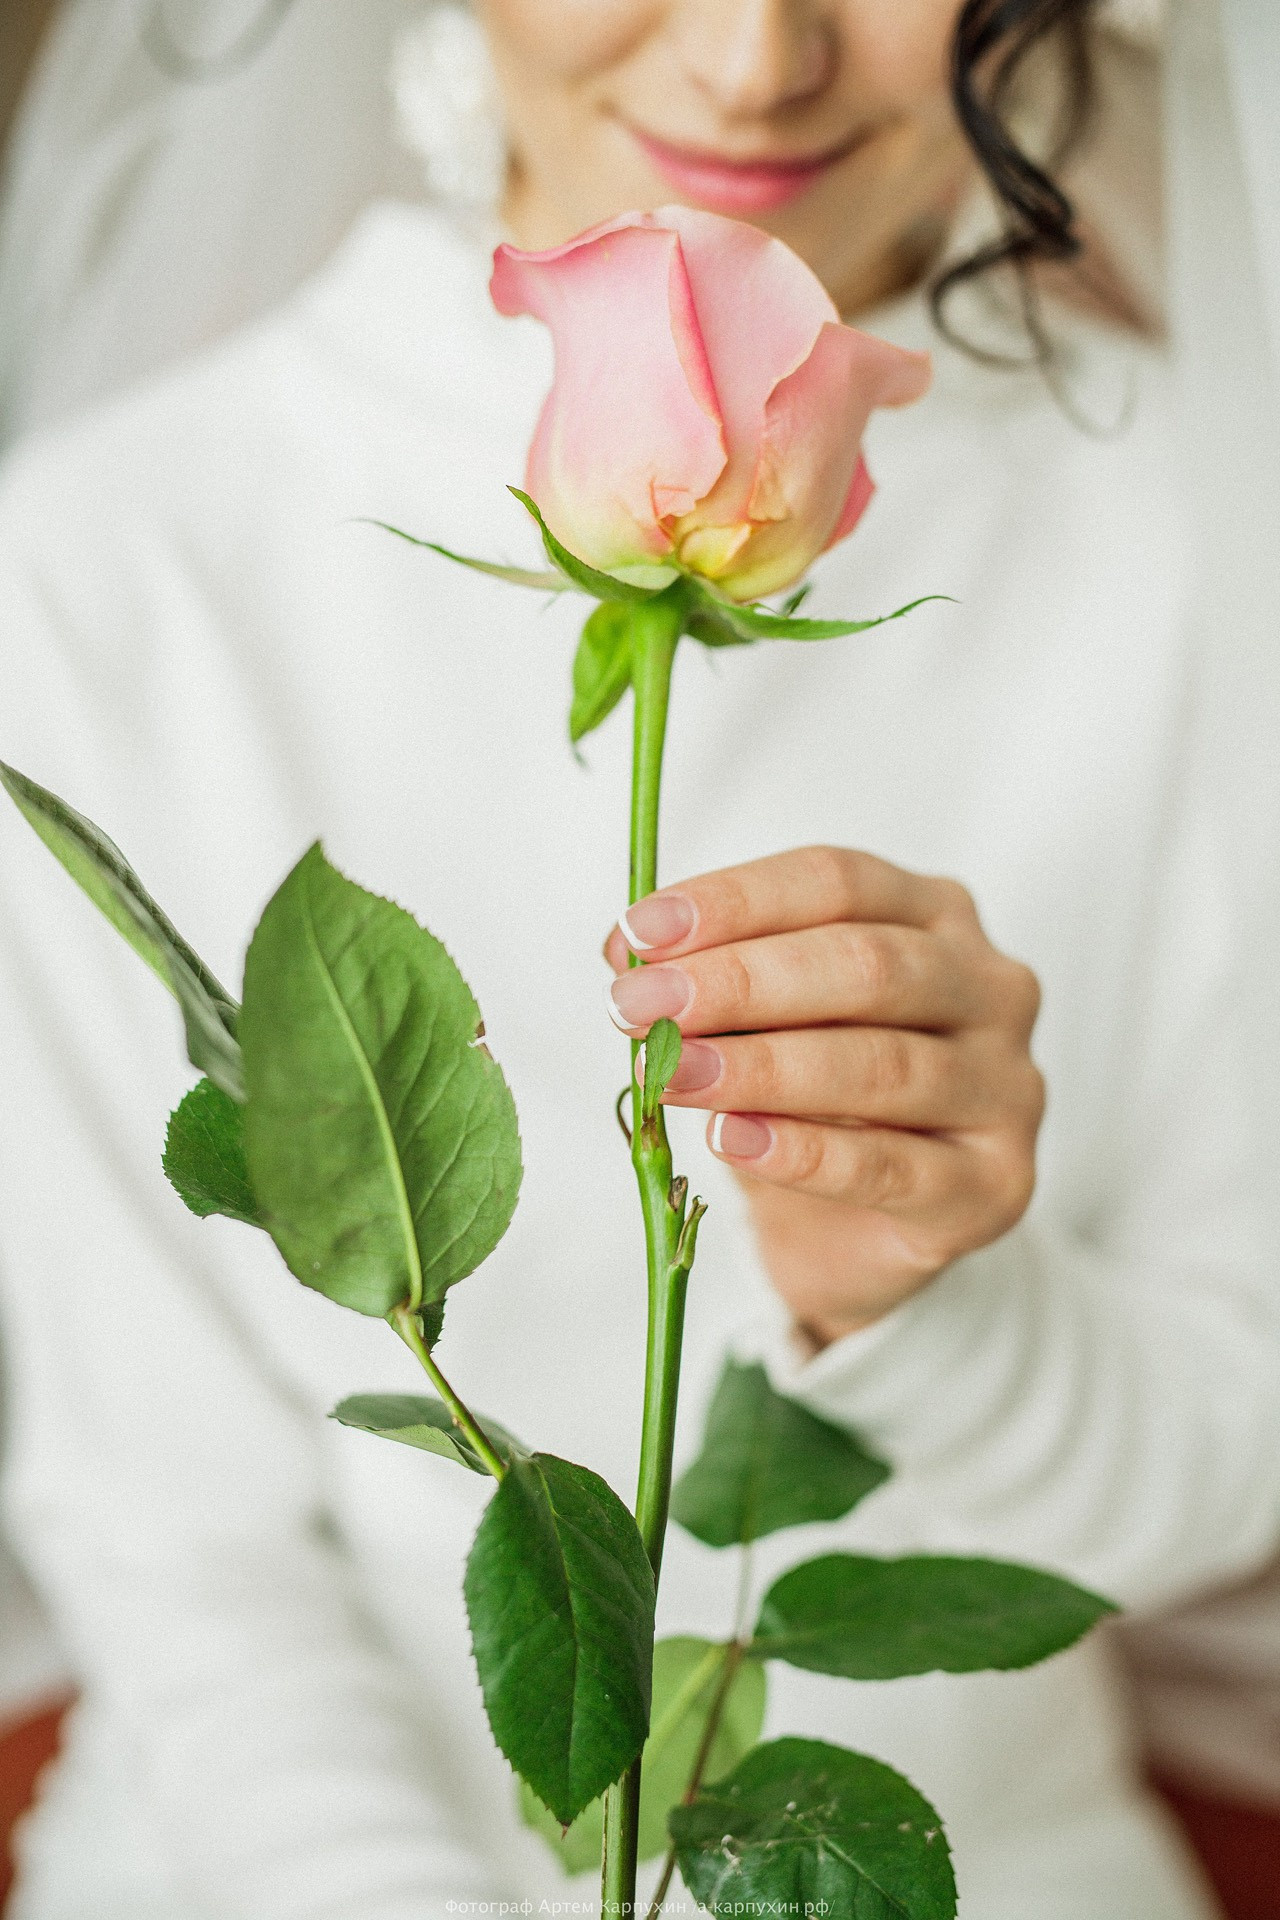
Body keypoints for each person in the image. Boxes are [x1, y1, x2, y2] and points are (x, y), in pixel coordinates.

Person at [0, 2, 1276, 1916]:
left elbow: (1216, 1479)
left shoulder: (1209, 541)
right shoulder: (112, 564)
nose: (758, 61)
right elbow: (176, 1551)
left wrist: (933, 1303)